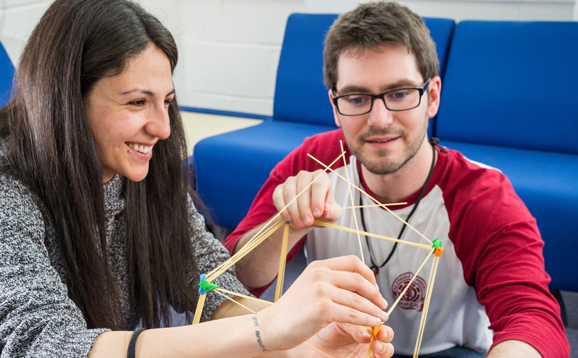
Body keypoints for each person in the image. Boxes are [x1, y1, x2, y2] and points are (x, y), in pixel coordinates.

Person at [0, 0, 396, 357]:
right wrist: (268, 328)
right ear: (66, 99)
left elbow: (205, 278)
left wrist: (304, 340)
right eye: (138, 101)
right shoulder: (8, 190)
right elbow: (43, 343)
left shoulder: (142, 171)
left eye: (167, 102)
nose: (163, 128)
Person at [224, 2, 570, 358]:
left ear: (432, 97)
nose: (380, 118)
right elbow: (232, 279)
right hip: (336, 350)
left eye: (400, 94)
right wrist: (286, 226)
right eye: (357, 98)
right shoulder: (314, 161)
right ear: (334, 106)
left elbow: (532, 317)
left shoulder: (480, 196)